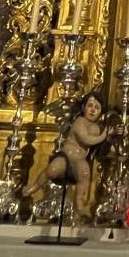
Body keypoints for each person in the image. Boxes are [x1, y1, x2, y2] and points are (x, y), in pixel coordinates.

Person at [25, 92, 109, 222]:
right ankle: (35, 186)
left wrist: (111, 133)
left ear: (101, 112)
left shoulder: (96, 127)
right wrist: (104, 135)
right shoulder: (79, 122)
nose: (92, 110)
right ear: (83, 108)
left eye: (97, 108)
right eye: (90, 106)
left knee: (85, 173)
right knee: (52, 170)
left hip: (80, 160)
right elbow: (86, 139)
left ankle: (78, 207)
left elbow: (99, 145)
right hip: (66, 157)